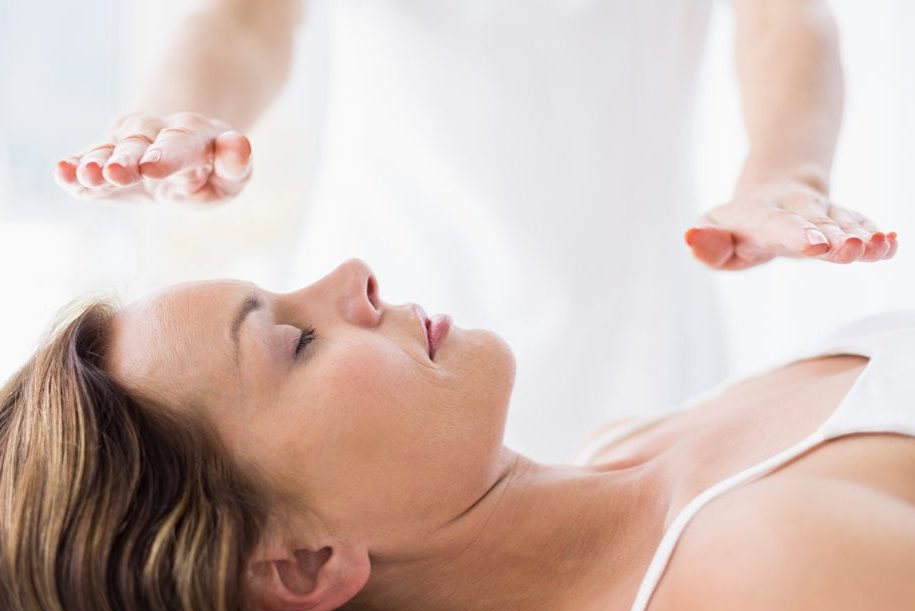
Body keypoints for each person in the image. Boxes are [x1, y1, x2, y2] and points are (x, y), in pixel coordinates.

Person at [53, 1, 897, 464]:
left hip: (625, 305)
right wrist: (171, 120)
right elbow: (244, 16)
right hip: (372, 303)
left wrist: (787, 176)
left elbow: (785, 19)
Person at [3, 258, 914, 611]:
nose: (349, 278)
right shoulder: (749, 578)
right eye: (295, 341)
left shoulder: (624, 446)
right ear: (305, 564)